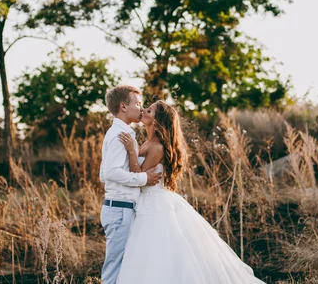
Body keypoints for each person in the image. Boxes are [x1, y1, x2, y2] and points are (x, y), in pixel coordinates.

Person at [116, 100, 265, 283]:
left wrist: (131, 151)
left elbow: (138, 178)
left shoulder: (156, 147)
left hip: (154, 203)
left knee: (158, 253)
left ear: (157, 121)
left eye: (149, 110)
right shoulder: (147, 143)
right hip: (145, 202)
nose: (143, 111)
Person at [99, 85, 163, 284]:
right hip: (120, 209)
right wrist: (143, 179)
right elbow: (110, 172)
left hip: (121, 207)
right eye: (137, 103)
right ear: (123, 107)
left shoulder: (121, 133)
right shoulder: (120, 135)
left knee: (123, 266)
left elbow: (103, 174)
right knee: (115, 268)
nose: (140, 108)